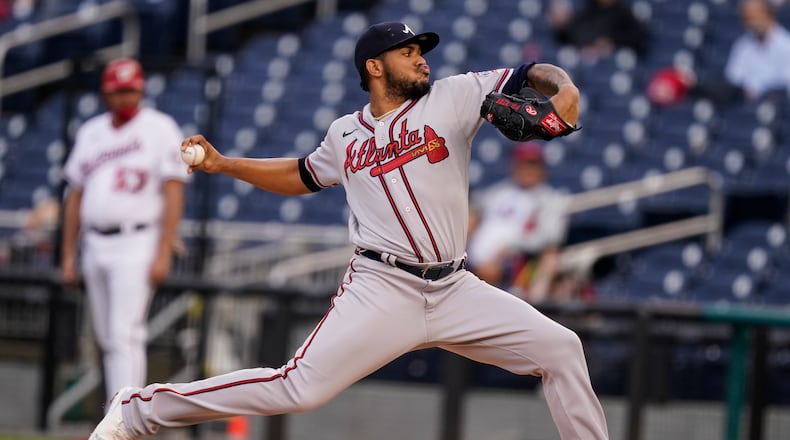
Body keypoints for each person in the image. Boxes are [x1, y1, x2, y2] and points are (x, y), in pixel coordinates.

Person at [89, 22, 609, 440]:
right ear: (374, 66)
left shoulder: (455, 95)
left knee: (561, 348)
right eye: (408, 52)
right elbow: (301, 174)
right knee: (296, 389)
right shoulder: (345, 133)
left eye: (421, 50)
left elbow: (530, 73)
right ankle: (141, 409)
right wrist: (225, 165)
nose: (422, 58)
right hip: (383, 288)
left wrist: (563, 87)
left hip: (455, 287)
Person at [60, 58, 189, 404]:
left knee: (124, 334)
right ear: (106, 93)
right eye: (119, 91)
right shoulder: (91, 132)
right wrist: (68, 254)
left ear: (142, 89)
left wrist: (163, 250)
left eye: (132, 89)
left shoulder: (160, 127)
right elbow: (75, 195)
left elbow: (174, 190)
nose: (126, 97)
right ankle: (116, 413)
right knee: (106, 336)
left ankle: (125, 418)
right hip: (94, 242)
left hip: (138, 240)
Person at [467, 141, 569, 303]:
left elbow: (550, 239)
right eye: (523, 164)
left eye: (533, 164)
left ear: (542, 169)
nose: (527, 170)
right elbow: (475, 210)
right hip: (475, 256)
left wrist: (509, 249)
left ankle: (534, 307)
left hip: (519, 260)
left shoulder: (550, 199)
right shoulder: (499, 192)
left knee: (550, 258)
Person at [686, 0, 790, 105]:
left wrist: (757, 88)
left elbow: (785, 82)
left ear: (769, 15)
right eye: (747, 19)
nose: (751, 23)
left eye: (755, 17)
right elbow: (733, 78)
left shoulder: (786, 45)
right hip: (743, 103)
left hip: (774, 103)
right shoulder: (742, 44)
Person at [549, 0, 651, 63]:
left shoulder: (623, 11)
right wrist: (562, 28)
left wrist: (613, 42)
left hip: (615, 61)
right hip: (588, 62)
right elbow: (572, 37)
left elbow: (640, 37)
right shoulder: (588, 10)